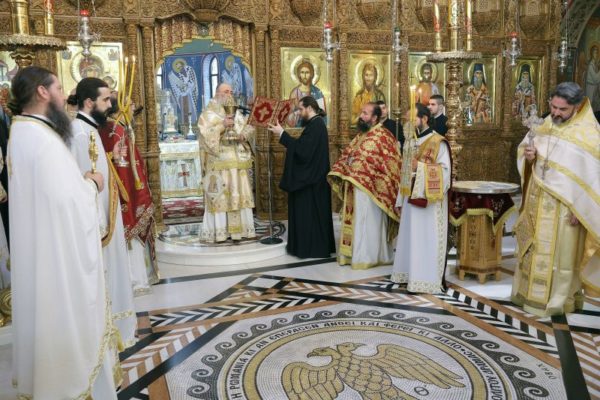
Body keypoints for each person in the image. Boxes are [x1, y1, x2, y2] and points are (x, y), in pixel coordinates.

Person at [8, 66, 119, 399]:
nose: (62, 94)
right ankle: (70, 384)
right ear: (42, 92)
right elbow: (68, 202)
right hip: (55, 253)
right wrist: (92, 184)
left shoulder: (22, 131)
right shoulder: (42, 139)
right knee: (63, 314)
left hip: (39, 245)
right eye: (57, 88)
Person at [511, 82, 600, 316]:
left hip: (566, 209)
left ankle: (559, 301)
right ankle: (529, 295)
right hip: (537, 204)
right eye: (553, 106)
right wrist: (530, 157)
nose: (556, 113)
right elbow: (527, 153)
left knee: (562, 257)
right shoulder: (544, 124)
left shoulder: (590, 133)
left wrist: (582, 210)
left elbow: (594, 179)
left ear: (577, 107)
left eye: (562, 109)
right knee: (533, 248)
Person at [68, 77, 137, 348]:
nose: (111, 105)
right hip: (98, 222)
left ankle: (118, 328)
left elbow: (95, 169)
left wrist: (112, 157)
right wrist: (98, 226)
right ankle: (110, 330)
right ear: (89, 102)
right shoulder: (79, 133)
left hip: (107, 215)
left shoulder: (89, 128)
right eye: (106, 99)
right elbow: (81, 180)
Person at [98, 96, 160, 295]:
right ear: (122, 108)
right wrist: (133, 196)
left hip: (126, 192)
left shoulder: (114, 128)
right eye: (131, 106)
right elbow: (123, 170)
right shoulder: (116, 131)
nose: (133, 110)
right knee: (130, 238)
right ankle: (135, 281)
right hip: (127, 195)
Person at [328, 102, 401, 269]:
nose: (361, 116)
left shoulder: (383, 136)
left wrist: (363, 172)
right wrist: (346, 168)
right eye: (361, 112)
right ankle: (353, 254)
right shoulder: (362, 134)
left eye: (365, 113)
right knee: (357, 221)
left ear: (374, 118)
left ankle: (368, 257)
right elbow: (350, 154)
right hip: (355, 187)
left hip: (373, 192)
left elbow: (391, 165)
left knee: (368, 222)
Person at [391, 104, 451, 294]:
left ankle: (426, 279)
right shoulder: (410, 142)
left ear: (424, 119)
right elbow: (404, 172)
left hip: (429, 203)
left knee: (426, 238)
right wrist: (400, 199)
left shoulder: (438, 142)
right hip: (410, 198)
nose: (408, 123)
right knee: (411, 237)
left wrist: (421, 167)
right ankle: (410, 275)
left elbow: (445, 173)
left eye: (412, 119)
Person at [268, 96, 335, 258]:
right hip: (313, 180)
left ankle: (310, 248)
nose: (298, 112)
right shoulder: (315, 124)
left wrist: (282, 133)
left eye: (300, 109)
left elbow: (302, 151)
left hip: (310, 183)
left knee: (309, 216)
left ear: (310, 108)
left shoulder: (316, 125)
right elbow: (304, 149)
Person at [197, 83, 256, 243]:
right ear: (217, 93)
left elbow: (246, 129)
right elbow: (204, 136)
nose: (229, 94)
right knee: (220, 197)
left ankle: (240, 231)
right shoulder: (208, 114)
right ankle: (220, 232)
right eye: (225, 91)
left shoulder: (237, 113)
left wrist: (244, 134)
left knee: (239, 194)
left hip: (237, 163)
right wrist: (222, 126)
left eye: (230, 91)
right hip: (219, 163)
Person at [288, 60, 326, 127]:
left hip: (315, 126)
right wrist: (298, 112)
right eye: (302, 72)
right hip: (299, 127)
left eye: (307, 72)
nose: (305, 75)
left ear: (311, 74)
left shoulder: (317, 92)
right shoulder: (295, 93)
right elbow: (289, 117)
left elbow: (322, 114)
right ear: (299, 74)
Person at [168, 57, 199, 123]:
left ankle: (193, 122)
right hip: (185, 96)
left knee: (191, 108)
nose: (180, 70)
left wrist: (187, 87)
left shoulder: (190, 70)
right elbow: (180, 86)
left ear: (183, 65)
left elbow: (193, 82)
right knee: (185, 109)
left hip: (191, 94)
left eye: (180, 67)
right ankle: (186, 123)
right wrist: (183, 89)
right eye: (178, 68)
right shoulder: (180, 75)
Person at [584, 45, 600, 111]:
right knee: (590, 105)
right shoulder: (590, 65)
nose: (596, 54)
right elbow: (595, 79)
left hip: (594, 88)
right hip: (590, 88)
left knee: (595, 105)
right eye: (595, 52)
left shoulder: (595, 64)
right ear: (591, 53)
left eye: (597, 52)